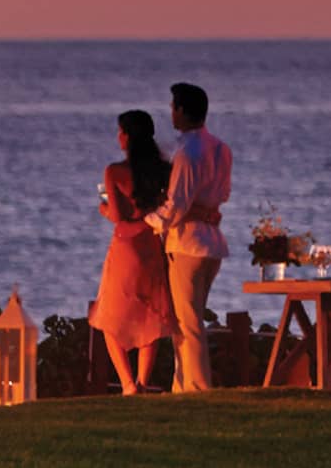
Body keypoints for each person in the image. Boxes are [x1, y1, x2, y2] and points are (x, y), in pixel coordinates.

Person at [145, 82, 232, 393]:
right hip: (212, 243)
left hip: (188, 244)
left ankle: (196, 387)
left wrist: (148, 220)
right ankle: (182, 385)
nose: (171, 112)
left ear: (181, 110)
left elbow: (177, 206)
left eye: (173, 107)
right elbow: (223, 193)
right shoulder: (220, 149)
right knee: (189, 317)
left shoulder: (187, 153)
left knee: (186, 321)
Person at [90, 109, 176, 395]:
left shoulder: (115, 172)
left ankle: (128, 384)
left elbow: (117, 216)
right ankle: (142, 381)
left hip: (126, 247)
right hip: (151, 245)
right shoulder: (164, 170)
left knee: (110, 317)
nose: (118, 137)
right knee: (150, 315)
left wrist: (103, 208)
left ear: (128, 136)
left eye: (121, 131)